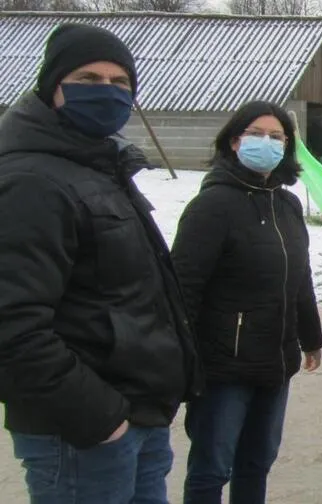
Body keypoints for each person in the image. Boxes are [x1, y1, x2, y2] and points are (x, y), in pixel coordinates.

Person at [0, 23, 200, 503]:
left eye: (120, 83)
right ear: (53, 89)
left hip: (135, 418)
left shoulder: (99, 168)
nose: (106, 92)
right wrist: (99, 415)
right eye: (88, 79)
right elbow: (12, 324)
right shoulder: (32, 180)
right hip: (82, 434)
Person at [171, 101, 322, 504]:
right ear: (235, 140)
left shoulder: (287, 204)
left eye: (277, 137)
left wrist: (310, 336)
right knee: (212, 467)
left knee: (257, 461)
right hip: (224, 365)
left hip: (276, 360)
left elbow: (300, 276)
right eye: (257, 134)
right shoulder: (212, 206)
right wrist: (180, 359)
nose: (267, 142)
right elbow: (183, 287)